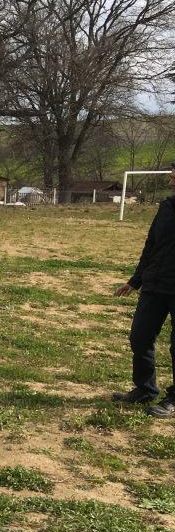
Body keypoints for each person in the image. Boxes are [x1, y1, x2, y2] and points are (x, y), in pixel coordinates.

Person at [114, 164, 175, 418]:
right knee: (140, 337)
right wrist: (135, 280)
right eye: (172, 177)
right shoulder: (166, 207)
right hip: (155, 284)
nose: (171, 182)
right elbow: (151, 245)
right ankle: (145, 389)